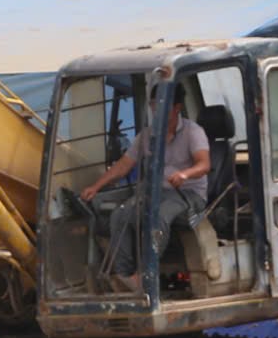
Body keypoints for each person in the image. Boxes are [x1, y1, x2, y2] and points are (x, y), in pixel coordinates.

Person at [82, 84, 210, 290]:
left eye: (162, 106)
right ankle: (128, 277)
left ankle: (147, 274)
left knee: (156, 217)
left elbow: (204, 165)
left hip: (188, 194)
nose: (156, 111)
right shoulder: (147, 136)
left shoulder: (193, 132)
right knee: (120, 215)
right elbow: (124, 165)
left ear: (176, 108)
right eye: (153, 106)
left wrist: (185, 174)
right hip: (157, 193)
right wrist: (96, 187)